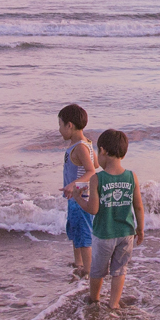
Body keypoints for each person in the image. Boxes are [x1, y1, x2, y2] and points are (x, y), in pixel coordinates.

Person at [75, 129, 145, 309]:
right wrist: (140, 229)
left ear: (103, 151)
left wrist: (77, 198)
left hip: (104, 234)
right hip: (126, 233)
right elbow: (138, 206)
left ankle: (94, 298)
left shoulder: (98, 178)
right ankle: (114, 304)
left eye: (98, 152)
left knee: (97, 271)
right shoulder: (132, 176)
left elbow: (93, 209)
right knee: (119, 270)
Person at [57, 104, 97, 277]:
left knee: (84, 234)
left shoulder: (80, 146)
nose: (59, 130)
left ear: (70, 125)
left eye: (60, 125)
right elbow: (95, 163)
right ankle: (78, 264)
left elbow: (92, 170)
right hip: (74, 198)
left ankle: (88, 271)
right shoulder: (84, 144)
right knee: (75, 230)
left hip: (81, 198)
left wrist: (73, 184)